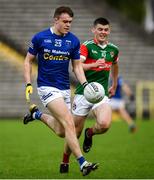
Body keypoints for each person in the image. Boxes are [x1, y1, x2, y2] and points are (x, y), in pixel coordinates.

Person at [23, 6, 99, 176]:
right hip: (46, 87)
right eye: (65, 21)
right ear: (55, 20)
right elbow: (28, 61)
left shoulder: (73, 41)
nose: (68, 24)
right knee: (69, 122)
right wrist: (28, 83)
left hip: (65, 88)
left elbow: (77, 67)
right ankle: (82, 162)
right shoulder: (40, 37)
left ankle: (36, 115)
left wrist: (85, 84)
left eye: (70, 22)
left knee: (61, 131)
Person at [59, 17, 119, 173]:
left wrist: (114, 84)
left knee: (105, 124)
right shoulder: (87, 46)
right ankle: (65, 161)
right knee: (75, 132)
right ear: (94, 30)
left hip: (101, 94)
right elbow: (77, 66)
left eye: (106, 29)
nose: (103, 32)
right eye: (100, 29)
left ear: (109, 31)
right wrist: (94, 64)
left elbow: (115, 65)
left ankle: (90, 132)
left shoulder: (114, 49)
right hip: (83, 93)